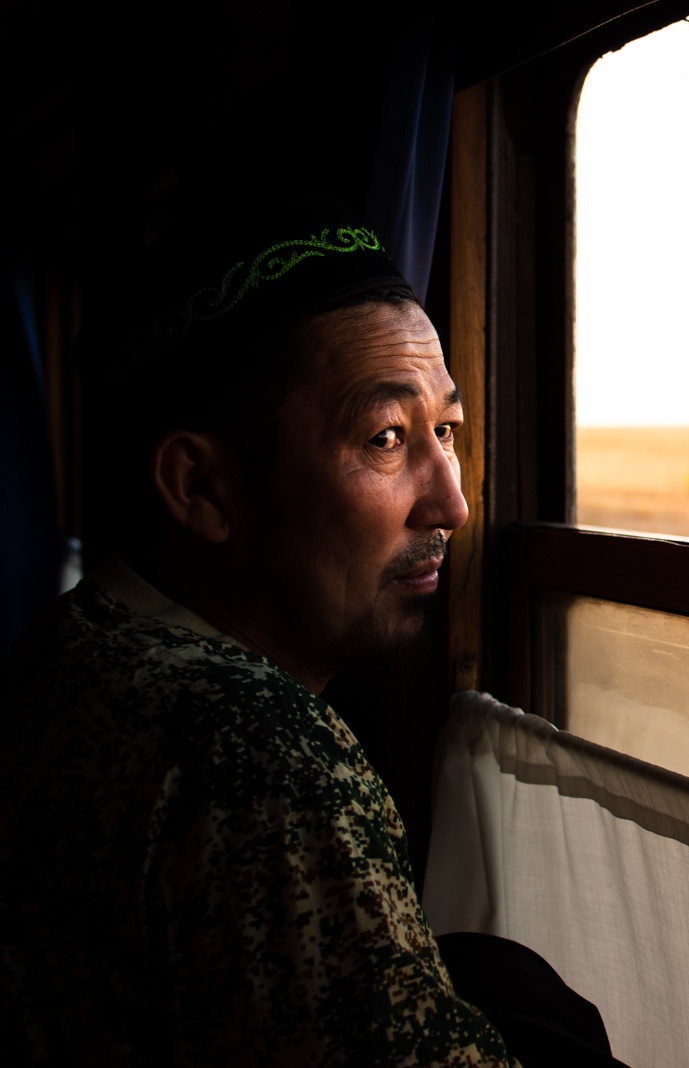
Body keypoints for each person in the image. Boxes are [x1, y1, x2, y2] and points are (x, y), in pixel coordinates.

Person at [0, 201, 620, 1065]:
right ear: (201, 487)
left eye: (446, 431)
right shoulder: (254, 749)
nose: (453, 503)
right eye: (385, 439)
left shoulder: (64, 643)